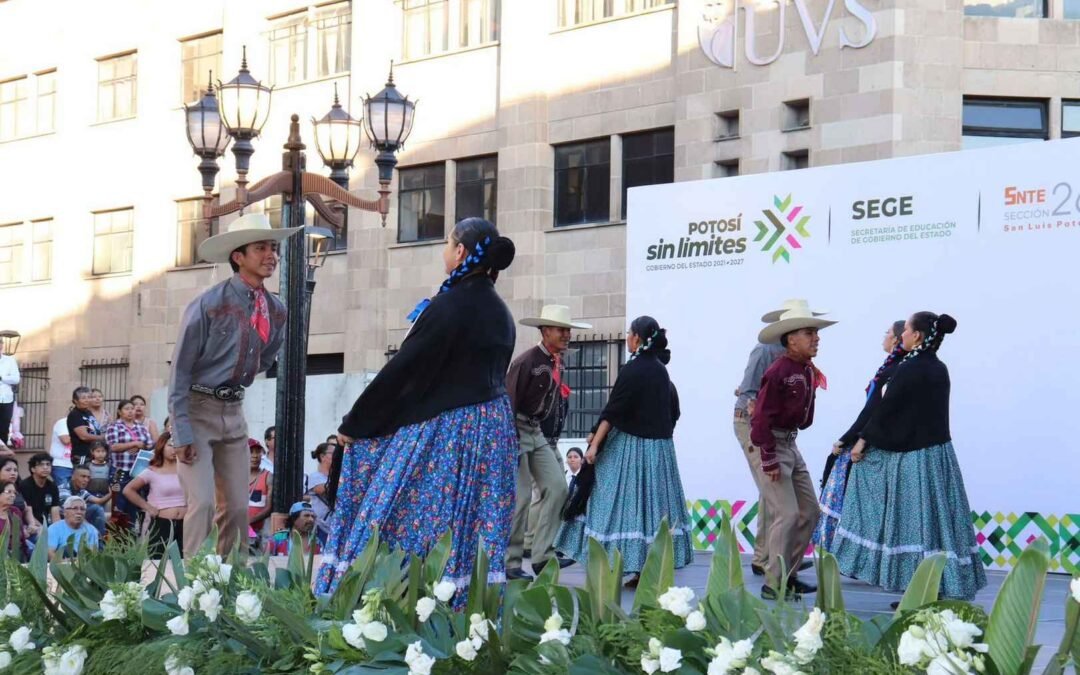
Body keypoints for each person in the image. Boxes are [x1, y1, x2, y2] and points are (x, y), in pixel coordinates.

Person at [317, 217, 517, 605]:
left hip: (449, 431)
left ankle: (394, 602)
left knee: (409, 513)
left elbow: (405, 371)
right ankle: (467, 608)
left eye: (447, 243)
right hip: (492, 435)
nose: (444, 250)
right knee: (473, 520)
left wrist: (354, 424)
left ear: (460, 252)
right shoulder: (501, 313)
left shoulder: (448, 307)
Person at [832, 312, 987, 601]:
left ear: (916, 336)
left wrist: (861, 441)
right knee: (938, 522)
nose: (901, 334)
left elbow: (888, 409)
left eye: (906, 330)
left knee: (914, 525)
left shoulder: (908, 369)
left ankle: (919, 589)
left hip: (914, 460)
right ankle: (936, 585)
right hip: (938, 456)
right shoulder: (940, 368)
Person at [168, 213, 295, 557]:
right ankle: (193, 586)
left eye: (273, 247)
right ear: (238, 257)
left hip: (234, 413)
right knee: (203, 504)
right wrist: (180, 433)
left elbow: (267, 357)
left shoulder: (276, 309)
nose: (271, 255)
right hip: (196, 412)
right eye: (261, 248)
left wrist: (242, 372)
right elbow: (178, 372)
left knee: (239, 508)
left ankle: (231, 585)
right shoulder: (207, 305)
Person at [555, 316, 694, 586]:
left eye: (629, 334)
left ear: (637, 339)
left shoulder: (635, 369)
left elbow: (614, 410)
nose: (627, 338)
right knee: (651, 509)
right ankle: (645, 568)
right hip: (659, 450)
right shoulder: (661, 371)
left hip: (633, 447)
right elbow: (672, 412)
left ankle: (607, 558)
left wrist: (594, 446)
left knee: (611, 498)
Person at [750, 301, 835, 600]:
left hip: (790, 442)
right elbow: (760, 418)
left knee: (809, 511)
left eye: (815, 332)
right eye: (809, 332)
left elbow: (804, 418)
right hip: (774, 443)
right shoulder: (779, 370)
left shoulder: (805, 370)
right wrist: (769, 456)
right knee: (786, 513)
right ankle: (774, 583)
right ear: (790, 339)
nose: (816, 338)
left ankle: (789, 573)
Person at [505, 304, 588, 579]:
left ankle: (542, 555)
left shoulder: (555, 361)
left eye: (567, 330)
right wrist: (509, 441)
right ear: (545, 331)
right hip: (516, 429)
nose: (567, 335)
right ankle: (511, 562)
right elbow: (508, 403)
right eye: (561, 330)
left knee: (557, 487)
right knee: (522, 497)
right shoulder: (526, 362)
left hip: (535, 430)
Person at [813, 320, 905, 549]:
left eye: (887, 332)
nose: (884, 336)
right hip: (872, 439)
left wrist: (849, 440)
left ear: (896, 339)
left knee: (855, 500)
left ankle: (841, 550)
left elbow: (874, 411)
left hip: (874, 444)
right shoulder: (892, 367)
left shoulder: (895, 370)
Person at [734, 301, 807, 577]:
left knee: (774, 492)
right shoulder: (765, 350)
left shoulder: (800, 360)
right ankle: (770, 562)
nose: (813, 336)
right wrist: (760, 420)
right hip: (754, 424)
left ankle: (768, 557)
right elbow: (749, 390)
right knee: (775, 493)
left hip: (777, 429)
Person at [123, 431, 186, 557]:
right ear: (161, 447)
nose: (173, 450)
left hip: (186, 524)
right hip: (162, 523)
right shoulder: (152, 471)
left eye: (177, 446)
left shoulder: (187, 470)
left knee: (185, 564)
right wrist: (148, 507)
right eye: (170, 445)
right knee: (158, 563)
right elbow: (128, 490)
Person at [105, 399, 153, 526]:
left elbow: (149, 445)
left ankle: (133, 537)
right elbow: (113, 446)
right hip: (120, 472)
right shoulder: (114, 426)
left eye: (132, 408)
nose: (131, 411)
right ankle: (118, 539)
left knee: (135, 508)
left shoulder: (141, 427)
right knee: (119, 507)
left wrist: (140, 447)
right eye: (127, 409)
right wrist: (134, 443)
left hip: (138, 472)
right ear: (119, 412)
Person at [59, 466, 109, 535]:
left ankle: (100, 540)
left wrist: (111, 493)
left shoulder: (81, 491)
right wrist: (91, 529)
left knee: (97, 508)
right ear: (73, 477)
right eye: (83, 476)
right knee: (92, 510)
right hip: (62, 519)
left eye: (88, 477)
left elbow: (99, 501)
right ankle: (98, 538)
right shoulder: (63, 490)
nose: (86, 480)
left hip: (76, 516)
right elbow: (73, 512)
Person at [47, 496, 99, 561]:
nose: (79, 512)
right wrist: (64, 563)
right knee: (66, 550)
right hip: (60, 566)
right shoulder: (54, 529)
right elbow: (49, 553)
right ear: (65, 512)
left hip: (83, 566)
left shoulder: (91, 530)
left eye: (82, 509)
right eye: (75, 508)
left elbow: (93, 555)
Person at [304, 442, 334, 545]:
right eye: (333, 453)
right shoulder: (315, 476)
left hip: (334, 524)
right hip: (321, 524)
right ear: (322, 456)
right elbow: (322, 489)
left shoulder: (336, 477)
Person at [19, 453, 60, 527]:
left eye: (48, 464)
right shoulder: (25, 485)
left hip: (46, 525)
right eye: (41, 465)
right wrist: (43, 530)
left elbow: (55, 513)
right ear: (33, 469)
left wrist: (57, 530)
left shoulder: (52, 486)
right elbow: (27, 513)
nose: (45, 467)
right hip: (29, 525)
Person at [67, 387, 104, 467]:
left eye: (89, 397)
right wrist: (103, 437)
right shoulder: (75, 414)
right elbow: (84, 436)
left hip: (93, 455)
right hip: (82, 456)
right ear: (75, 401)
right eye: (83, 398)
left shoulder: (88, 412)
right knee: (83, 478)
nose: (87, 400)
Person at [247, 439, 272, 541]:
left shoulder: (268, 476)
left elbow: (269, 508)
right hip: (236, 530)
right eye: (250, 451)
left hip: (260, 533)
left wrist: (250, 520)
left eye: (258, 451)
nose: (255, 456)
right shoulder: (234, 477)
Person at [0, 483, 27, 561]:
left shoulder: (15, 511)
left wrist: (25, 554)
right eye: (9, 492)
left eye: (14, 493)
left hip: (18, 554)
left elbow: (22, 537)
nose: (13, 495)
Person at [48, 416, 74, 492]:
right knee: (64, 492)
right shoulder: (63, 423)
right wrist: (82, 434)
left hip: (76, 464)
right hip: (61, 465)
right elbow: (65, 440)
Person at [0, 347, 18, 445]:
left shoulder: (9, 361)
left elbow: (16, 379)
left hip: (6, 399)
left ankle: (2, 457)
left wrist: (2, 378)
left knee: (3, 429)